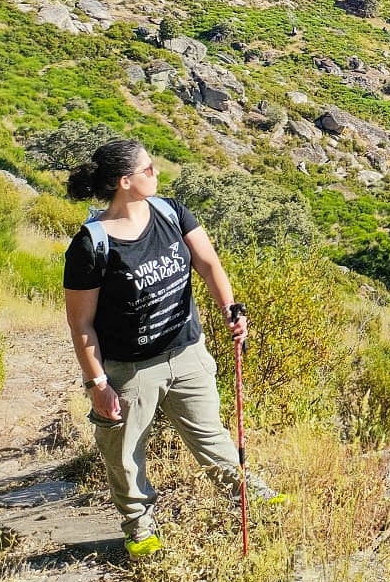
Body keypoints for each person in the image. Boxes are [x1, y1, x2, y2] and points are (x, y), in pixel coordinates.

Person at [63, 137, 281, 558]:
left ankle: (249, 497)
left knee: (211, 434)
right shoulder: (91, 245)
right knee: (124, 454)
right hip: (129, 369)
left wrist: (230, 308)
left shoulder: (170, 212)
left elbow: (208, 263)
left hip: (187, 351)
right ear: (125, 181)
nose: (156, 173)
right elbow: (81, 323)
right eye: (148, 169)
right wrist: (97, 383)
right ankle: (140, 528)